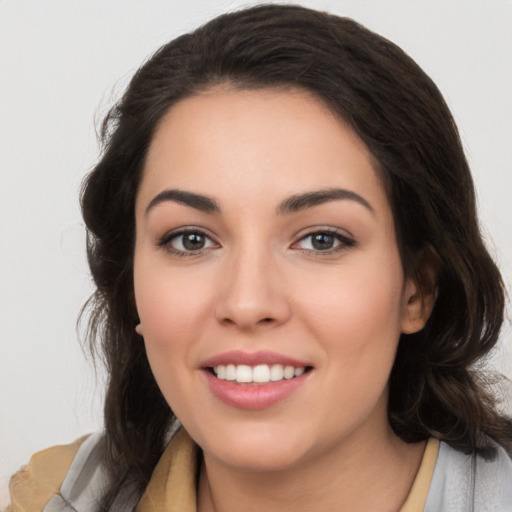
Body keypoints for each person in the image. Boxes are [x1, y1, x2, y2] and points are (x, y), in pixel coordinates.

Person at [8, 4, 512, 511]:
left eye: (321, 240)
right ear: (130, 281)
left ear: (417, 290)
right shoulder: (55, 498)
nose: (247, 303)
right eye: (190, 240)